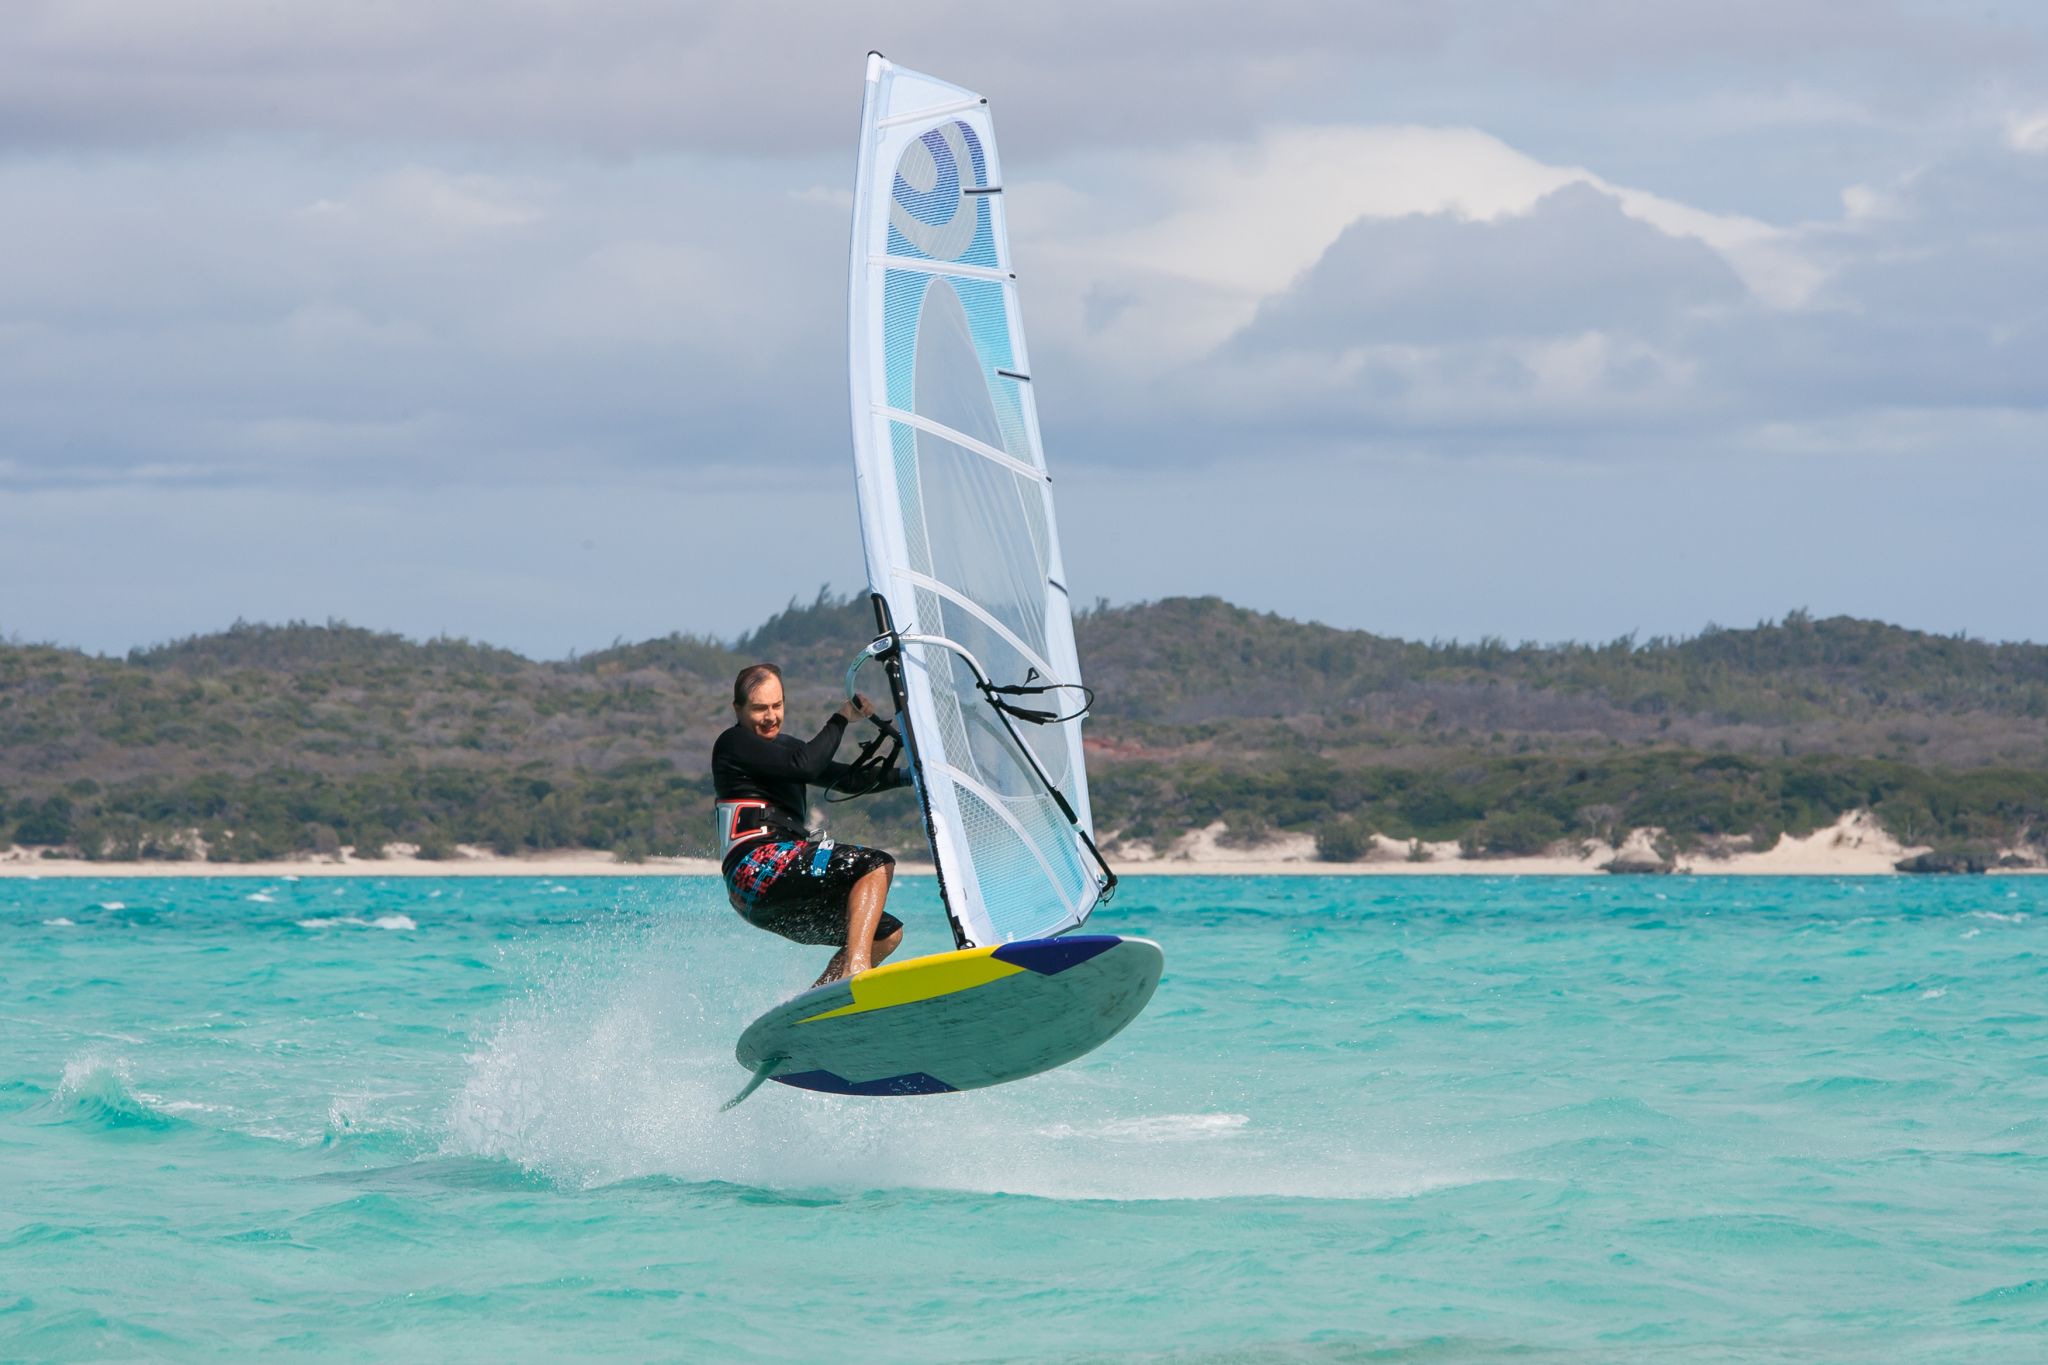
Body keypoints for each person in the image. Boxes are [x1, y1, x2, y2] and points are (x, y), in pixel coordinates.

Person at [712, 662, 911, 987]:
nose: (771, 716)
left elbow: (846, 779)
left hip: (778, 895)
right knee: (876, 864)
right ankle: (855, 971)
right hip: (756, 870)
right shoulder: (732, 743)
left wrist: (907, 776)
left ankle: (819, 1000)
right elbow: (805, 766)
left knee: (885, 933)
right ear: (738, 709)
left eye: (777, 706)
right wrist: (842, 717)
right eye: (760, 708)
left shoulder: (786, 750)